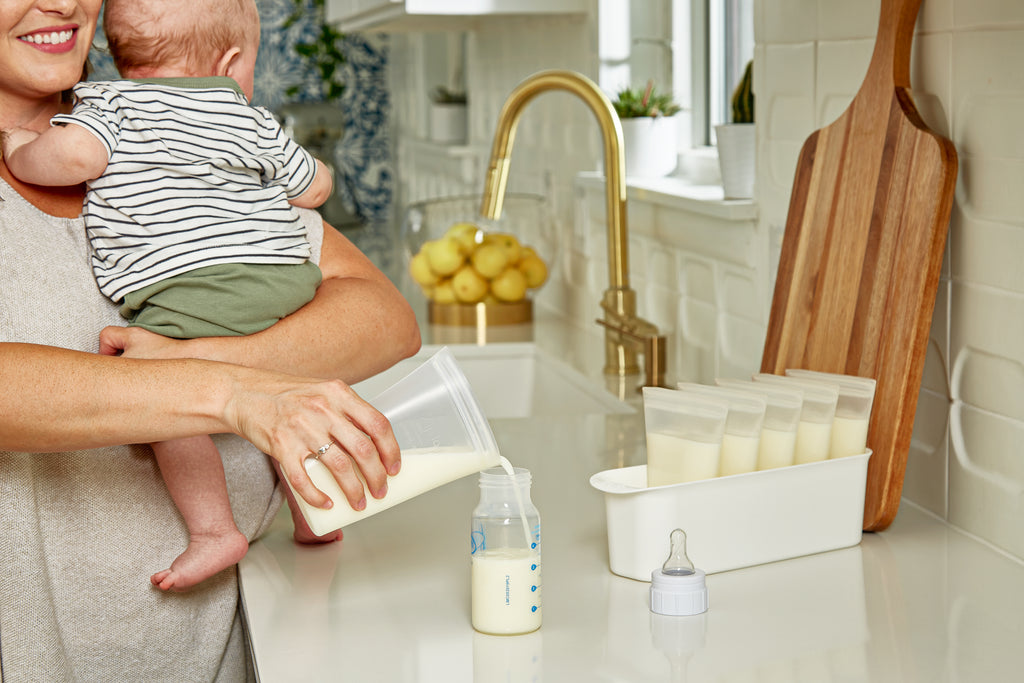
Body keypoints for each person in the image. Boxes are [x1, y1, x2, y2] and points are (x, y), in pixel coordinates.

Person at [0, 0, 420, 680]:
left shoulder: (149, 121)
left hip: (234, 646)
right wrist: (225, 391)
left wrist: (210, 367)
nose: (60, 1)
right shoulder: (166, 124)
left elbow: (384, 319)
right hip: (50, 657)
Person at [3, 0, 340, 593]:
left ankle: (213, 529)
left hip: (190, 296)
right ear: (233, 61)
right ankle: (313, 510)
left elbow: (73, 159)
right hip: (285, 278)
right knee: (287, 390)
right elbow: (313, 187)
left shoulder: (108, 109)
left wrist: (16, 150)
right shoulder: (249, 119)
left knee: (162, 395)